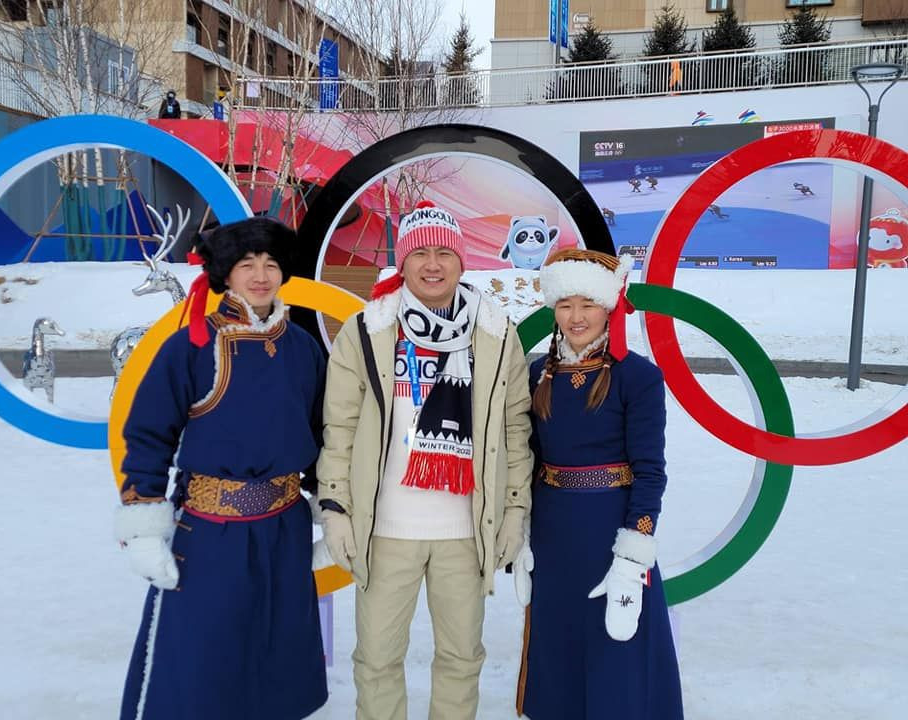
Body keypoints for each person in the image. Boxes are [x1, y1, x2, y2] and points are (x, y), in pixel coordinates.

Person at [317, 200, 533, 720]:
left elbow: (515, 428)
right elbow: (339, 428)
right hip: (385, 529)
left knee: (462, 658)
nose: (432, 264)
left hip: (464, 529)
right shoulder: (366, 330)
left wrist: (513, 510)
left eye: (444, 252)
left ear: (461, 262)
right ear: (403, 260)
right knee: (375, 660)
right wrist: (335, 507)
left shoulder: (496, 333)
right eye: (420, 253)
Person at [113, 217, 328, 720]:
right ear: (225, 275)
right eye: (247, 264)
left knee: (275, 649)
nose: (260, 275)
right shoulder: (191, 346)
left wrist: (328, 504)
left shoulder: (302, 348)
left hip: (283, 526)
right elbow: (148, 434)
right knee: (200, 654)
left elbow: (323, 433)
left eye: (271, 264)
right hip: (211, 530)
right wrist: (144, 525)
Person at [514, 248, 684, 720]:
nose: (576, 316)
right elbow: (527, 458)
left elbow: (651, 470)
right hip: (553, 532)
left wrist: (634, 549)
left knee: (616, 640)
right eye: (566, 305)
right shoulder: (535, 375)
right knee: (559, 636)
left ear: (608, 306)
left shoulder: (639, 378)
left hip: (610, 529)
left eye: (587, 304)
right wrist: (522, 529)